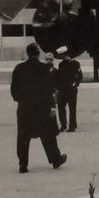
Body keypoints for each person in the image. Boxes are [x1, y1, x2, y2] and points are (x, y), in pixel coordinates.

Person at [10, 43, 66, 173]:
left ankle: (23, 165)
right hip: (42, 107)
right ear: (38, 53)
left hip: (24, 108)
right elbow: (50, 88)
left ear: (28, 53)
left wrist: (21, 100)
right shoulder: (44, 68)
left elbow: (14, 89)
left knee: (23, 136)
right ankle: (55, 159)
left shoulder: (19, 68)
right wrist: (52, 105)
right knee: (48, 135)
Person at [55, 47, 83, 132]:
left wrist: (75, 85)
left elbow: (80, 76)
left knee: (72, 108)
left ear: (64, 55)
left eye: (61, 55)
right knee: (61, 107)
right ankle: (63, 125)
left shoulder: (76, 63)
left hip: (71, 90)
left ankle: (72, 126)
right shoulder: (61, 64)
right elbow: (59, 77)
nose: (60, 57)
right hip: (62, 89)